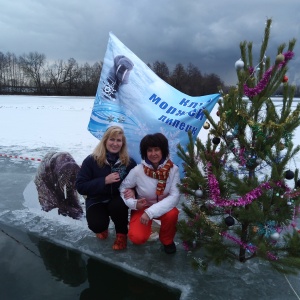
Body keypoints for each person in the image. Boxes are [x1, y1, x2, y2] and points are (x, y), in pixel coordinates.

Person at [76, 125, 136, 250]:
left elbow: (138, 183)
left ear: (123, 143)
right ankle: (102, 227)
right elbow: (81, 186)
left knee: (118, 205)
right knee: (96, 225)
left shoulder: (129, 163)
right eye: (112, 139)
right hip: (96, 199)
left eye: (118, 140)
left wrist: (133, 190)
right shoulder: (91, 160)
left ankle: (121, 234)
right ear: (105, 141)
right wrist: (104, 181)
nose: (115, 143)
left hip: (117, 199)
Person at [120, 133, 180, 254]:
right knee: (137, 238)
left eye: (157, 149)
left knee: (172, 214)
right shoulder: (137, 171)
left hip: (164, 207)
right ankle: (140, 228)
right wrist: (134, 203)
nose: (153, 154)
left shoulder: (173, 170)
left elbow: (175, 196)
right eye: (149, 150)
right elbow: (123, 188)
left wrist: (150, 213)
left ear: (163, 150)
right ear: (145, 152)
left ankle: (167, 241)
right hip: (143, 206)